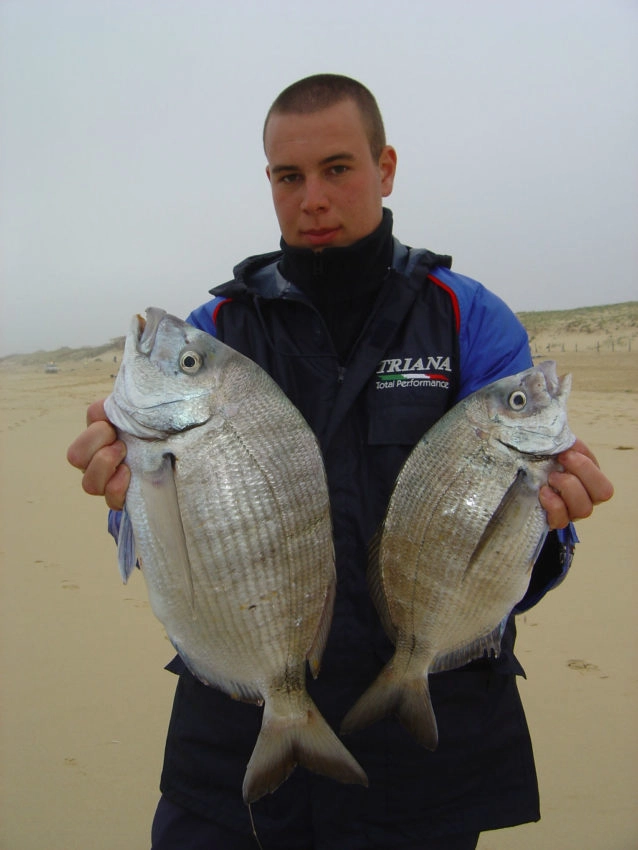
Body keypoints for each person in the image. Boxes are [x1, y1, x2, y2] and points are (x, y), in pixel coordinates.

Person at [67, 74, 613, 849]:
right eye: (290, 177)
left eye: (337, 169)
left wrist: (552, 521)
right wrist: (124, 496)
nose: (312, 198)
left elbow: (515, 512)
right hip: (237, 733)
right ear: (269, 183)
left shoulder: (466, 316)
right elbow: (176, 537)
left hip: (425, 746)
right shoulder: (216, 332)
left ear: (385, 168)